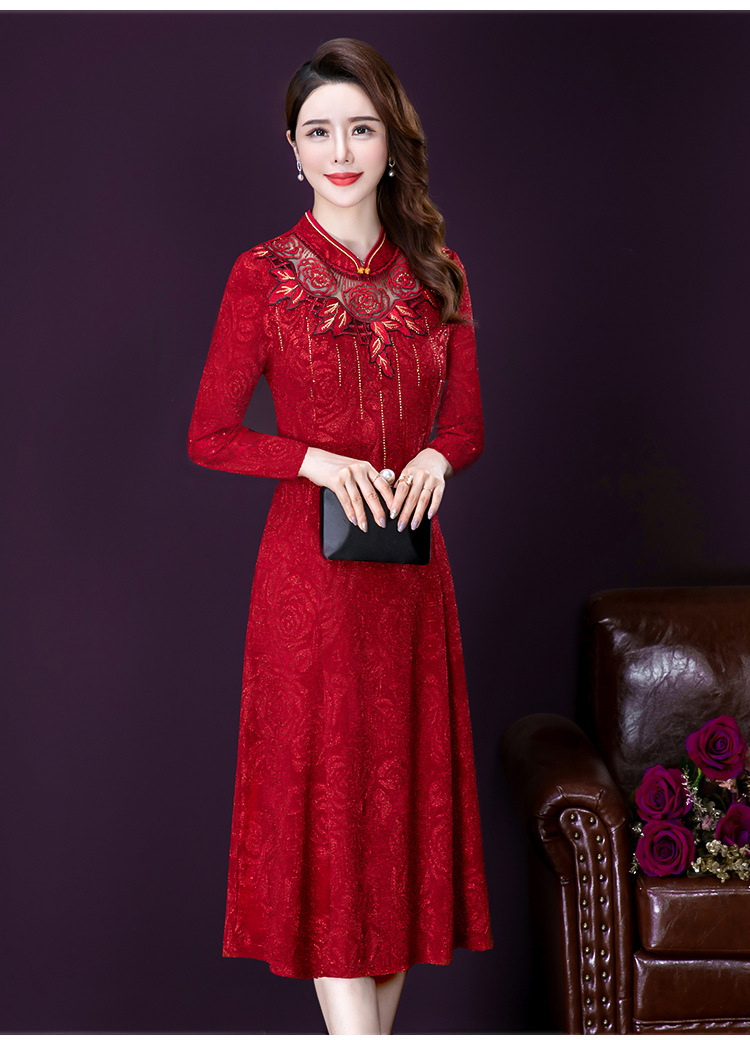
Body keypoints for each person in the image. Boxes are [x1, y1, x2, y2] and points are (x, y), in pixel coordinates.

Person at [187, 37, 493, 1035]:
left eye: (360, 128)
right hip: (309, 591)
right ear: (293, 148)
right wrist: (314, 459)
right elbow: (210, 435)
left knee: (393, 841)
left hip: (410, 586)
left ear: (392, 141)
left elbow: (466, 425)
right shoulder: (261, 274)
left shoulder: (439, 273)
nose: (341, 150)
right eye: (319, 131)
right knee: (328, 828)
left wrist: (439, 458)